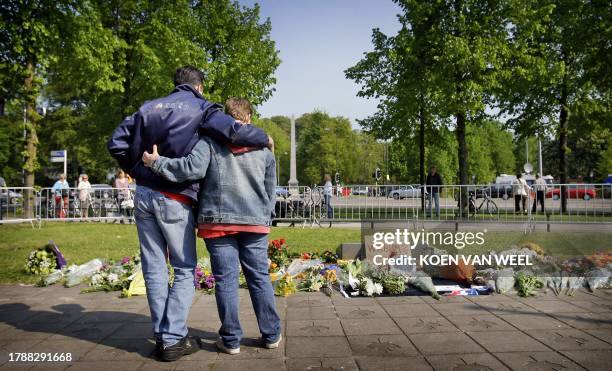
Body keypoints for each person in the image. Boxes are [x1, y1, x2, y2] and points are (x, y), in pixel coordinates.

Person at [107, 67, 271, 362]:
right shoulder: (204, 108)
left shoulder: (147, 107)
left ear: (176, 85)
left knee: (154, 267)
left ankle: (163, 333)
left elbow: (116, 143)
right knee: (183, 269)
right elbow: (233, 130)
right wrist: (263, 136)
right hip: (175, 197)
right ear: (200, 87)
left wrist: (139, 169)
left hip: (143, 194)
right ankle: (172, 340)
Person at [142, 97, 281, 356]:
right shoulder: (263, 148)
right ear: (249, 119)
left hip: (217, 223)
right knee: (259, 278)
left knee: (226, 282)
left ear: (226, 119)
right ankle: (271, 334)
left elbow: (188, 169)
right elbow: (270, 186)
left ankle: (231, 340)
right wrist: (266, 214)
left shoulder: (209, 143)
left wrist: (156, 162)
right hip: (254, 222)